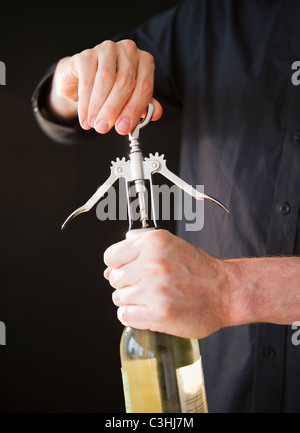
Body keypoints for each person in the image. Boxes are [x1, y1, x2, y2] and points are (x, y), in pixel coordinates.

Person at [32, 0, 300, 412]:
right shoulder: (212, 18)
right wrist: (76, 81)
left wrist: (234, 290)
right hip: (216, 388)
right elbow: (63, 110)